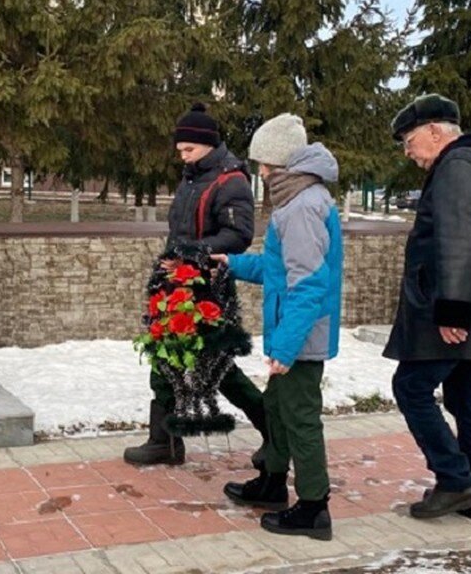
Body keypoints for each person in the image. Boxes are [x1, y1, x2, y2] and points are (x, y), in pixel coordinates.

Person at [215, 113, 342, 541]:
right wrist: (230, 264)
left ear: (286, 163)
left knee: (300, 418)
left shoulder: (303, 207)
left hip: (301, 335)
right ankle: (271, 484)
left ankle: (313, 508)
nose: (261, 172)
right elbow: (278, 269)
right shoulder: (296, 200)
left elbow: (308, 286)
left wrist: (285, 349)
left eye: (266, 163)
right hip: (292, 329)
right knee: (277, 410)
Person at [385, 93, 471, 522]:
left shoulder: (456, 167)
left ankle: (457, 481)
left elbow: (460, 240)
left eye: (410, 140)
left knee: (411, 387)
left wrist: (453, 310)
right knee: (465, 395)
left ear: (435, 132)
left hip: (456, 310)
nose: (408, 152)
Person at [124, 102, 269, 466]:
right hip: (175, 286)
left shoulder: (231, 180)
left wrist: (193, 253)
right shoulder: (192, 177)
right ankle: (164, 442)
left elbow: (238, 235)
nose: (184, 157)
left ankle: (276, 431)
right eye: (180, 152)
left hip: (209, 288)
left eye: (189, 150)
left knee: (218, 368)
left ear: (208, 144)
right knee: (164, 358)